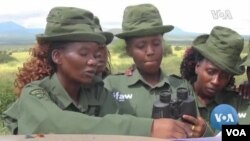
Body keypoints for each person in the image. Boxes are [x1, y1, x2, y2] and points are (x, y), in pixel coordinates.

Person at [2, 6, 192, 139]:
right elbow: (55, 123)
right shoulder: (35, 93)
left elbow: (115, 123)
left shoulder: (99, 92)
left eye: (95, 53)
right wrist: (149, 128)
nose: (93, 61)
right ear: (57, 56)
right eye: (84, 53)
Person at [104, 3, 209, 138]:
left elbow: (195, 129)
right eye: (141, 46)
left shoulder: (181, 86)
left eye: (156, 44)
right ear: (128, 50)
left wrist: (202, 131)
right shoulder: (112, 86)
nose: (150, 51)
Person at [180, 26, 250, 133]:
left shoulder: (240, 104)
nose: (216, 81)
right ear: (197, 66)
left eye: (224, 76)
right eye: (210, 72)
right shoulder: (172, 95)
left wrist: (206, 135)